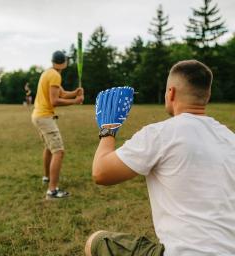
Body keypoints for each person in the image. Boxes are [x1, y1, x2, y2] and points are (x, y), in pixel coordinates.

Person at [85, 60, 235, 256]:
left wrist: (108, 129)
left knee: (96, 242)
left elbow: (101, 172)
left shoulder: (160, 133)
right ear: (207, 96)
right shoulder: (230, 138)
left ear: (170, 93)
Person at [32, 50, 84, 200]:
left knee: (49, 148)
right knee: (58, 151)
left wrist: (75, 92)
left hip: (39, 115)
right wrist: (76, 101)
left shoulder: (48, 73)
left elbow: (61, 94)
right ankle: (52, 191)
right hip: (44, 117)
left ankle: (47, 178)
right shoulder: (55, 75)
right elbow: (55, 100)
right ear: (65, 62)